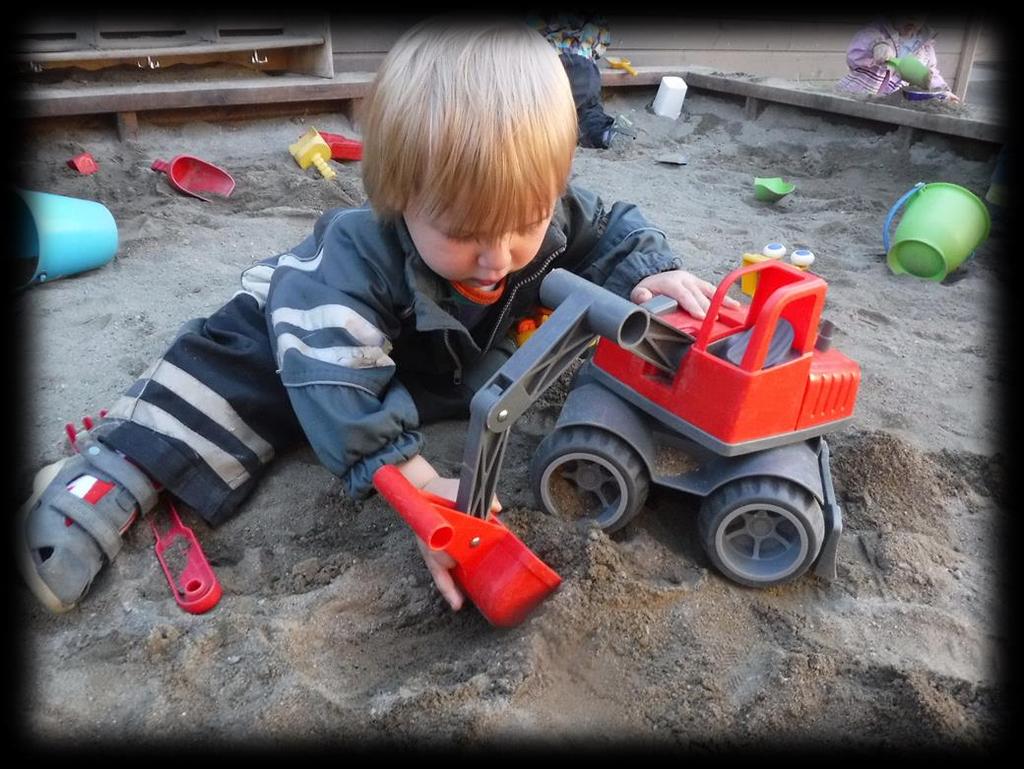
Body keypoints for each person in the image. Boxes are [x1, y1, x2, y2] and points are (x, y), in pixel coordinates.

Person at [18, 16, 737, 616]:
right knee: (233, 379)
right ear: (399, 196)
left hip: (418, 361)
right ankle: (110, 471)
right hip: (300, 334)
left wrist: (652, 271)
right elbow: (332, 373)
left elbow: (610, 226)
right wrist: (410, 478)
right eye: (462, 230)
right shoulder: (355, 255)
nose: (496, 255)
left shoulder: (544, 223)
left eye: (524, 219)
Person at [528, 13, 622, 149]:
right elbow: (602, 42)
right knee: (589, 111)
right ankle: (602, 134)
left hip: (544, 65)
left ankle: (541, 132)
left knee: (535, 109)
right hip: (583, 69)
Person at [835, 17, 958, 101]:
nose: (911, 17)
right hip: (854, 95)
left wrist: (942, 92)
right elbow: (854, 54)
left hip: (888, 104)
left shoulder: (925, 48)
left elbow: (929, 75)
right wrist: (876, 45)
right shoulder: (876, 32)